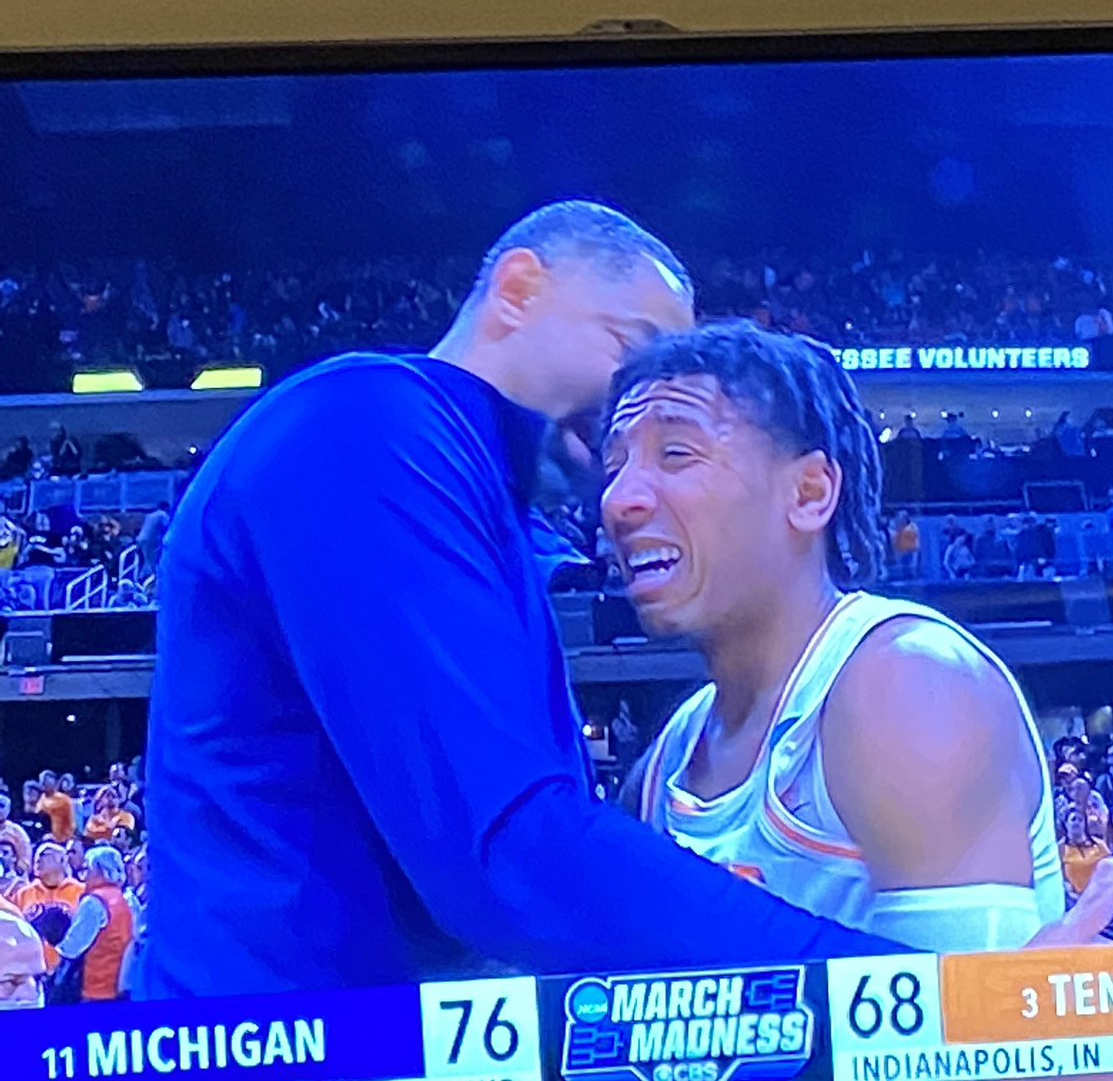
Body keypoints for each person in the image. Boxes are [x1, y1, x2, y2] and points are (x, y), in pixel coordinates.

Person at [140, 201, 908, 1002]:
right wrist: (891, 985)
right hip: (284, 1041)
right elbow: (508, 852)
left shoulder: (478, 494)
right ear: (517, 289)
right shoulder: (369, 423)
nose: (632, 399)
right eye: (632, 349)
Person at [607, 322, 1064, 951]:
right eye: (615, 465)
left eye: (676, 455)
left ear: (810, 492)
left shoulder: (908, 682)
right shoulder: (667, 762)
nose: (619, 498)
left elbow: (969, 1036)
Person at [54, 846, 135, 1003]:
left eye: (87, 868)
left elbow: (72, 948)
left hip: (96, 990)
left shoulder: (94, 902)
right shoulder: (128, 898)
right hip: (123, 986)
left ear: (99, 870)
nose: (85, 875)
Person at [1060, 807, 1111, 897]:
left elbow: (1111, 868)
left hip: (1101, 896)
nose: (1077, 822)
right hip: (1074, 898)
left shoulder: (1099, 844)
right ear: (1066, 824)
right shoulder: (1060, 848)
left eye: (1080, 820)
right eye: (1073, 819)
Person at [35, 771, 75, 845]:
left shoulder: (64, 800)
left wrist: (67, 837)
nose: (46, 784)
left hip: (64, 839)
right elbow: (39, 818)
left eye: (48, 781)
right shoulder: (42, 800)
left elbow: (71, 821)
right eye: (44, 782)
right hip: (47, 839)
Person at [135, 502, 171, 582]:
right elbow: (169, 526)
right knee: (152, 560)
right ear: (166, 508)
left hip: (140, 539)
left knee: (144, 559)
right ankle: (148, 579)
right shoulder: (162, 515)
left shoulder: (150, 515)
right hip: (151, 541)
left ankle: (141, 576)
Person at [0, 791, 32, 876]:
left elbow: (26, 859)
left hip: (11, 880)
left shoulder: (17, 832)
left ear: (8, 808)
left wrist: (19, 871)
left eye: (1, 806)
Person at [890, 510, 920, 580]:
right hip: (902, 551)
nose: (900, 519)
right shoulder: (899, 527)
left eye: (902, 517)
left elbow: (913, 536)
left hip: (911, 551)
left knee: (911, 567)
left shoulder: (912, 526)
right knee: (903, 568)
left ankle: (912, 579)